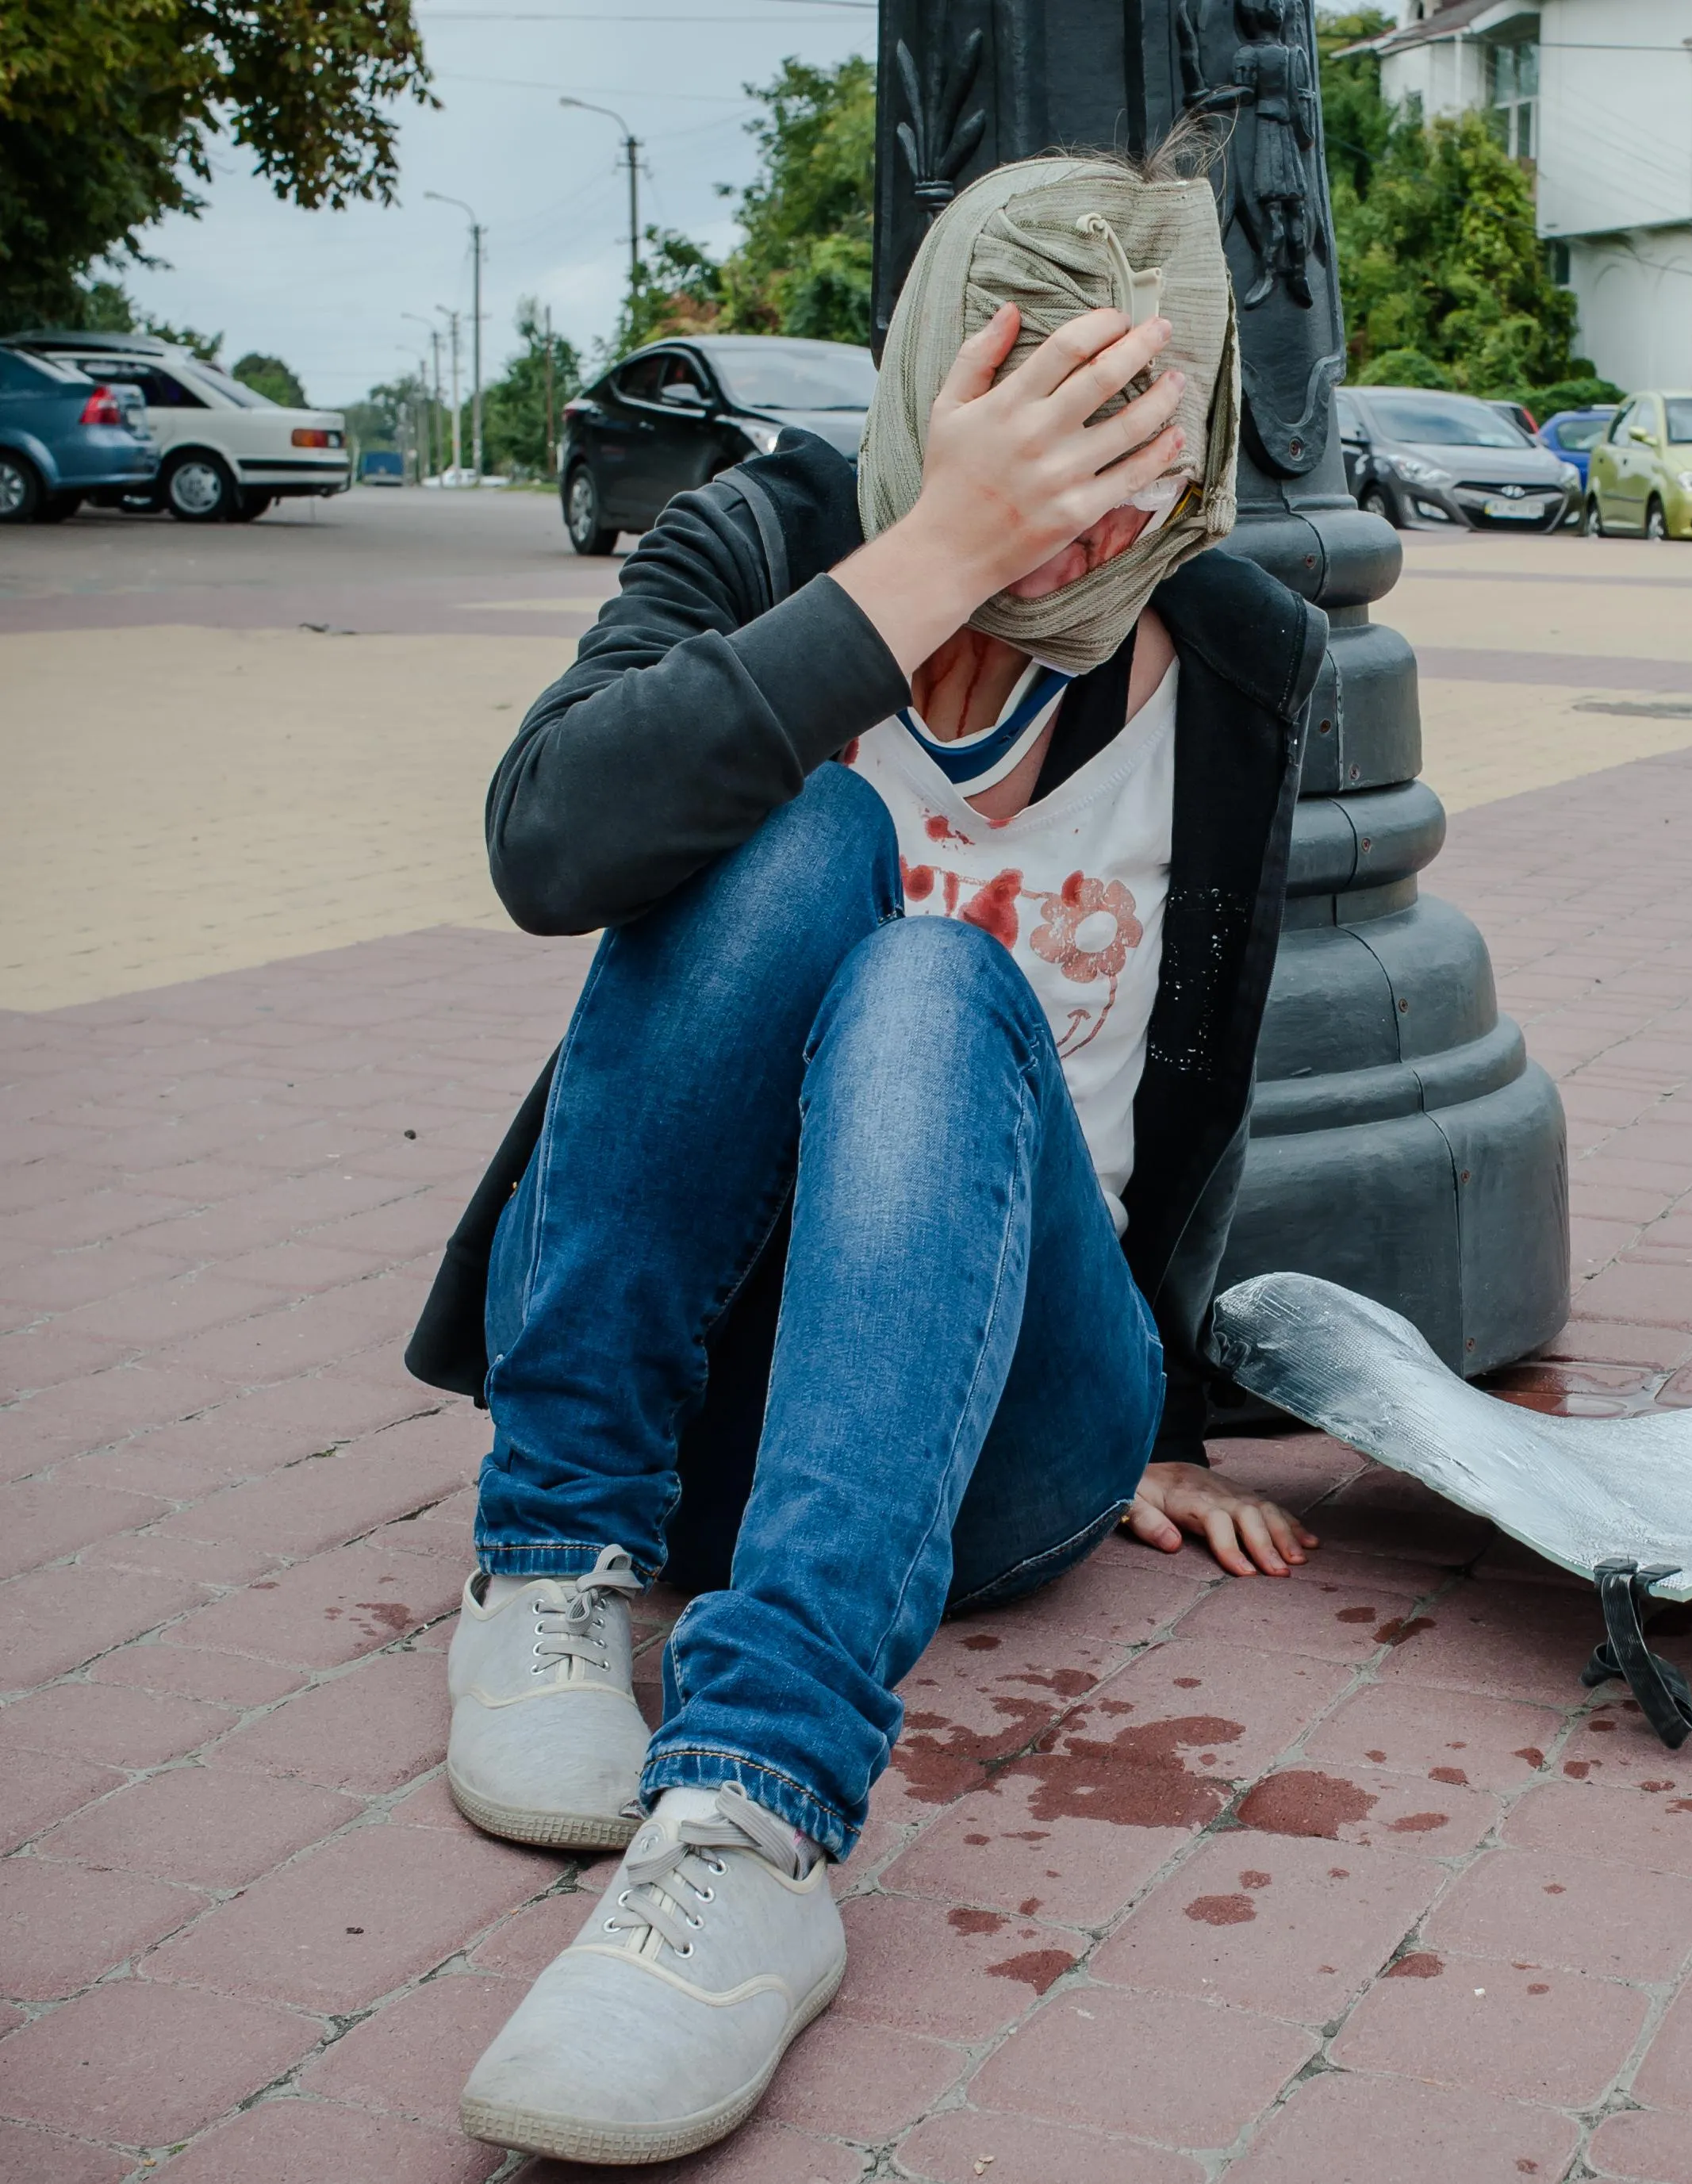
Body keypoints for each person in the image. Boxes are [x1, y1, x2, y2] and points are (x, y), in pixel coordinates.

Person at [401, 151, 1326, 2164]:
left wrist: (1166, 1408)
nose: (1083, 520)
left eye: (1129, 458)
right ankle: (553, 1551)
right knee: (815, 841)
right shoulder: (763, 535)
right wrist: (920, 563)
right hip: (696, 1405)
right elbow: (548, 845)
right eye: (1032, 446)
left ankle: (747, 1815)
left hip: (1002, 1414)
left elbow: (1202, 1078)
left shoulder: (1237, 656)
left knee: (930, 976)